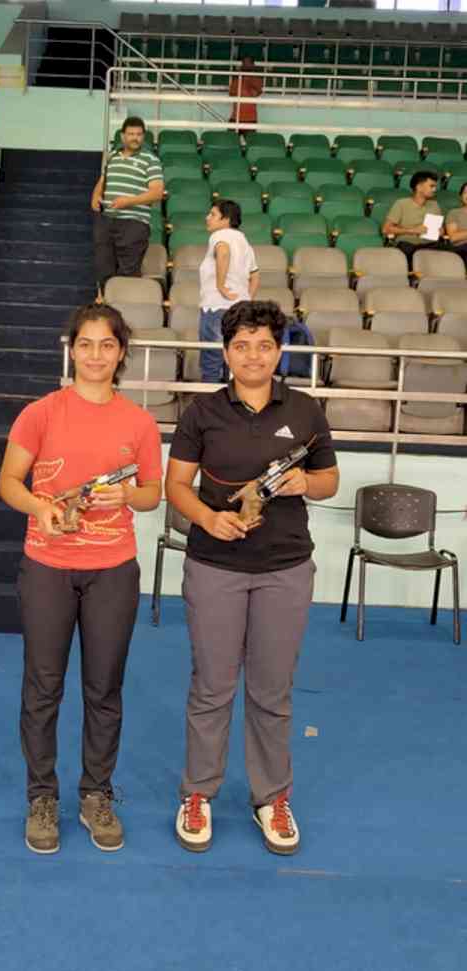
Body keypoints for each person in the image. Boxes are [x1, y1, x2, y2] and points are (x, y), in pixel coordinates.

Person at [165, 300, 339, 857]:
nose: (253, 355)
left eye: (264, 345)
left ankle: (271, 796)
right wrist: (208, 518)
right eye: (241, 345)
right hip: (214, 567)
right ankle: (198, 793)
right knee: (211, 688)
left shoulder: (307, 410)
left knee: (271, 692)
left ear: (279, 351)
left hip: (284, 569)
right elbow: (175, 488)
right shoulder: (201, 413)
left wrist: (301, 486)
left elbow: (330, 480)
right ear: (226, 353)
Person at [0, 303, 162, 856]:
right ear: (73, 349)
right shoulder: (40, 413)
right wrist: (39, 508)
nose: (95, 355)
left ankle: (96, 793)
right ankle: (41, 796)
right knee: (43, 687)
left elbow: (151, 494)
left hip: (112, 570)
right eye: (86, 344)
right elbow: (9, 482)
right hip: (47, 567)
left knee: (104, 689)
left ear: (121, 353)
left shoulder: (138, 423)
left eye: (107, 345)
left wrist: (127, 495)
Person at [91, 116, 164, 299]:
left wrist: (128, 202)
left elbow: (157, 193)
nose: (135, 138)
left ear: (144, 137)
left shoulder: (151, 160)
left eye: (139, 134)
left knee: (128, 273)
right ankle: (107, 311)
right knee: (103, 269)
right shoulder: (113, 157)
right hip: (107, 220)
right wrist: (95, 195)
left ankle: (122, 315)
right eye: (131, 134)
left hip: (134, 223)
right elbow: (103, 180)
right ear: (123, 136)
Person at [198, 200, 260, 384]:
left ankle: (209, 407)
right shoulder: (244, 241)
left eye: (213, 214)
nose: (207, 218)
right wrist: (246, 299)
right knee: (232, 362)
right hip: (239, 308)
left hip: (217, 306)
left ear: (226, 219)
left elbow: (223, 252)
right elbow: (255, 275)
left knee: (211, 361)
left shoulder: (220, 235)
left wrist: (220, 285)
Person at [382, 170, 443, 266]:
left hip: (430, 244)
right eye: (431, 186)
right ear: (419, 187)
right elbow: (386, 229)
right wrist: (413, 230)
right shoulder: (401, 204)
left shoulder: (435, 205)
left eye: (435, 186)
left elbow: (440, 229)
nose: (434, 189)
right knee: (409, 251)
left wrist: (440, 232)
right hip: (408, 244)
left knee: (449, 251)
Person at [229, 56, 263, 133]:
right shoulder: (237, 79)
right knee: (230, 141)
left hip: (250, 118)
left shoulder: (257, 79)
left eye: (248, 63)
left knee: (250, 143)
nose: (246, 65)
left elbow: (254, 93)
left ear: (253, 65)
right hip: (235, 117)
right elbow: (232, 93)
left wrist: (246, 80)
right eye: (244, 63)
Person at [444, 181, 467, 265]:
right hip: (462, 249)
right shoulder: (454, 213)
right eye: (465, 192)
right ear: (461, 196)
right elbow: (453, 237)